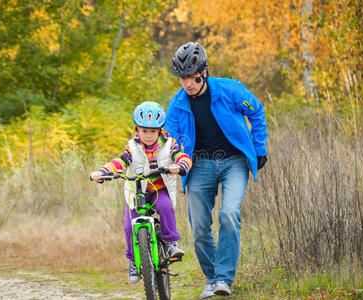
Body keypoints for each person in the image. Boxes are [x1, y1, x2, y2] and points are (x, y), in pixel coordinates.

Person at [165, 42, 268, 298]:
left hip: (233, 161)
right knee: (199, 226)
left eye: (192, 76)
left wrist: (259, 147)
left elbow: (256, 111)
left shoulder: (230, 89)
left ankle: (224, 278)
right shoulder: (177, 104)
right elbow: (171, 137)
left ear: (204, 71)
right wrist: (174, 160)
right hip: (198, 164)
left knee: (229, 214)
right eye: (182, 78)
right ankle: (213, 279)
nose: (188, 83)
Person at [90, 101, 192, 283]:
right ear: (137, 130)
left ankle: (170, 243)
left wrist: (181, 165)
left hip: (159, 189)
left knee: (166, 206)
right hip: (137, 192)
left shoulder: (169, 144)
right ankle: (134, 261)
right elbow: (119, 162)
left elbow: (181, 156)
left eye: (153, 131)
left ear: (160, 131)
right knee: (129, 227)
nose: (148, 135)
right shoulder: (132, 147)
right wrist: (102, 172)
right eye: (144, 131)